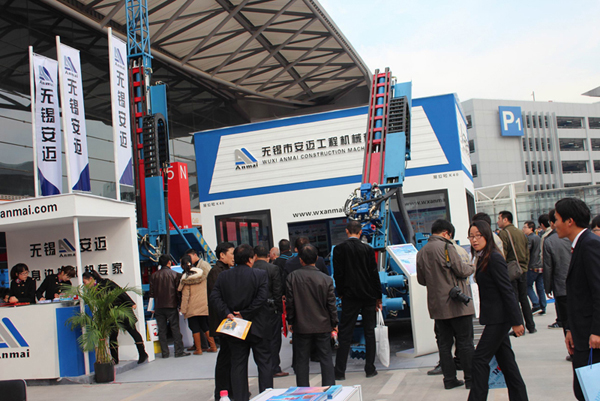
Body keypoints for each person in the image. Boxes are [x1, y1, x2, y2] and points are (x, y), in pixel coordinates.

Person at [467, 220, 528, 401]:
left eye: (478, 235)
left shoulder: (494, 257)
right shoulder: (482, 257)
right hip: (494, 317)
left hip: (499, 319)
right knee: (507, 364)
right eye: (471, 236)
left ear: (487, 236)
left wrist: (517, 321)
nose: (474, 240)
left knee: (479, 359)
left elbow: (507, 290)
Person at [417, 219, 475, 390]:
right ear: (446, 233)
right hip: (457, 304)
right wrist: (472, 267)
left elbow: (421, 280)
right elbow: (461, 270)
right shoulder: (447, 247)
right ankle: (471, 379)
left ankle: (449, 380)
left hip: (437, 306)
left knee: (444, 345)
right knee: (465, 342)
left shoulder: (421, 252)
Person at [210, 244, 273, 401]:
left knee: (238, 364)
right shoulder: (260, 275)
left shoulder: (224, 276)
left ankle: (240, 398)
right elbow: (262, 298)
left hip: (235, 326)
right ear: (251, 259)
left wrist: (228, 313)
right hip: (257, 325)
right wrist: (245, 313)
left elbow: (214, 297)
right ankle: (266, 396)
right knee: (264, 363)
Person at [553, 198, 600, 401]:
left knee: (589, 391)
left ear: (569, 221)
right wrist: (570, 329)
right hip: (581, 333)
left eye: (557, 219)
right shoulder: (580, 244)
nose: (554, 224)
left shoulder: (590, 245)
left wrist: (597, 331)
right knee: (584, 389)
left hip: (592, 337)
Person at [333, 220, 382, 380]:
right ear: (360, 232)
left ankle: (340, 371)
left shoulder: (339, 249)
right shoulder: (368, 249)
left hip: (350, 296)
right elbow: (374, 274)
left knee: (345, 332)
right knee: (369, 332)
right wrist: (378, 296)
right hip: (368, 295)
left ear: (347, 231)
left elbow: (338, 274)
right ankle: (370, 368)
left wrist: (341, 293)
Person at [286, 244, 337, 386]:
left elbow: (290, 303)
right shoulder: (326, 279)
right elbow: (331, 304)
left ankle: (303, 390)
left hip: (301, 325)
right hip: (323, 324)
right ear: (316, 258)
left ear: (300, 259)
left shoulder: (292, 277)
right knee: (326, 358)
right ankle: (329, 388)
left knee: (302, 360)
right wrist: (334, 323)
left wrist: (291, 321)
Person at [81, 270, 148, 364]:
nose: (84, 285)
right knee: (112, 335)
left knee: (132, 330)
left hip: (121, 309)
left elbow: (120, 291)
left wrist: (131, 303)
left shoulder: (106, 283)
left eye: (84, 282)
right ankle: (115, 359)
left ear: (91, 279)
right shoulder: (91, 290)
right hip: (110, 313)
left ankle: (143, 353)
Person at [497, 211, 536, 334]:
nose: (497, 221)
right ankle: (531, 325)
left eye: (499, 218)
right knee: (524, 298)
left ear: (505, 219)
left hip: (511, 270)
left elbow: (503, 253)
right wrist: (524, 265)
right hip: (522, 269)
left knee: (514, 299)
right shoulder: (520, 232)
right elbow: (527, 251)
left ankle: (520, 327)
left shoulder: (504, 233)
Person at [253, 245, 287, 377]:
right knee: (274, 340)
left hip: (255, 310)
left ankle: (263, 367)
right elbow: (277, 291)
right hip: (271, 309)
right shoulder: (273, 268)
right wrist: (279, 309)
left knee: (259, 340)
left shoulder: (251, 269)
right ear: (268, 256)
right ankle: (274, 367)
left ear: (255, 256)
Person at [207, 242, 235, 401]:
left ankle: (228, 390)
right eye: (231, 253)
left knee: (229, 357)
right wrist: (228, 313)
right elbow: (217, 298)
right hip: (222, 321)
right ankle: (222, 392)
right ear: (222, 255)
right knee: (225, 358)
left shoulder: (226, 270)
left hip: (227, 320)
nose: (234, 257)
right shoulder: (216, 272)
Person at [543, 209, 572, 359]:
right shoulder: (573, 237)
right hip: (577, 288)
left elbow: (548, 267)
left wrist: (547, 287)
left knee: (566, 322)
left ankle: (572, 351)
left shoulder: (550, 241)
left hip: (561, 287)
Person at [149, 254, 189, 358]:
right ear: (169, 262)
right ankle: (179, 351)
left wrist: (151, 307)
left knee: (162, 330)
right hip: (171, 305)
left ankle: (165, 353)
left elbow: (151, 293)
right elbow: (178, 292)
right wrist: (180, 305)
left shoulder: (154, 276)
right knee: (175, 328)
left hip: (158, 306)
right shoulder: (175, 275)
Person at [178, 254, 215, 355]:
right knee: (205, 326)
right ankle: (213, 346)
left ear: (182, 265)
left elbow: (185, 296)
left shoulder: (186, 278)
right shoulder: (201, 273)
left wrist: (183, 309)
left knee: (195, 328)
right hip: (203, 305)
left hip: (192, 307)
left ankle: (198, 349)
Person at [522, 221, 545, 315]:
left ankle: (536, 304)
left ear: (531, 228)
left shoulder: (530, 238)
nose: (523, 229)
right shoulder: (538, 237)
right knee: (540, 287)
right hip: (540, 265)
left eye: (525, 227)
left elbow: (527, 252)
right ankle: (543, 306)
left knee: (527, 286)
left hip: (532, 265)